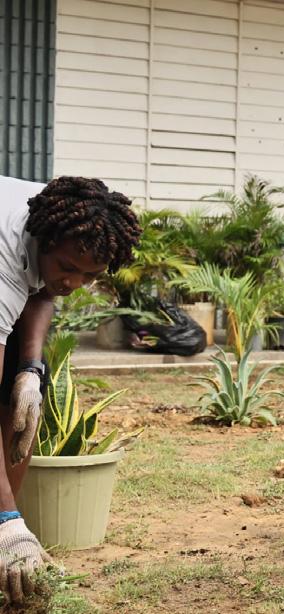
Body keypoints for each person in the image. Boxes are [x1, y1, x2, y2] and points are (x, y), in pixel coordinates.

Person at [0, 175, 141, 601]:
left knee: (19, 407)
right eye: (68, 268)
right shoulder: (7, 250)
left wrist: (30, 370)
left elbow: (41, 289)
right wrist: (6, 520)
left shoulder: (65, 226)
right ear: (44, 243)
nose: (74, 283)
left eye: (89, 275)